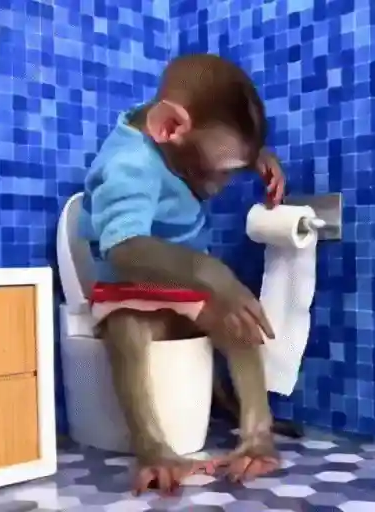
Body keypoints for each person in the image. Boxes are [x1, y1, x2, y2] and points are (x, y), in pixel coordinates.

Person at [78, 53, 286, 495]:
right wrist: (211, 273)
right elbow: (123, 249)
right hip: (131, 284)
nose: (221, 185)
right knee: (127, 331)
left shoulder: (175, 130)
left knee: (240, 320)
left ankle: (257, 435)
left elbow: (212, 133)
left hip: (183, 284)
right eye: (220, 172)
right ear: (168, 128)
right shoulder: (128, 165)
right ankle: (152, 446)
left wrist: (252, 157)